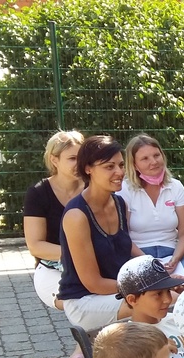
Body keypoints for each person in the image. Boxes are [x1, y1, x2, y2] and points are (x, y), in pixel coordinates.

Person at [57, 135, 143, 331]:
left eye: (121, 165)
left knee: (170, 296)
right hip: (84, 300)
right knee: (158, 302)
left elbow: (125, 245)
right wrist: (143, 286)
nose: (119, 172)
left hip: (117, 292)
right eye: (109, 166)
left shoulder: (120, 204)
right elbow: (93, 283)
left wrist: (157, 272)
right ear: (88, 168)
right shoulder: (76, 215)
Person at [117, 134, 184, 280]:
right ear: (134, 164)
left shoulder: (176, 186)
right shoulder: (125, 189)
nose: (153, 162)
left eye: (156, 155)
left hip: (171, 254)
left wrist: (175, 259)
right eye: (145, 158)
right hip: (137, 256)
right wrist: (150, 263)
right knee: (153, 288)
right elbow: (123, 237)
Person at [23, 130, 83, 311]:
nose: (79, 163)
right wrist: (81, 254)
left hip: (94, 268)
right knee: (81, 305)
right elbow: (35, 246)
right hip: (52, 270)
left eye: (82, 157)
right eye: (72, 158)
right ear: (54, 160)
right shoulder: (38, 193)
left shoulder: (93, 188)